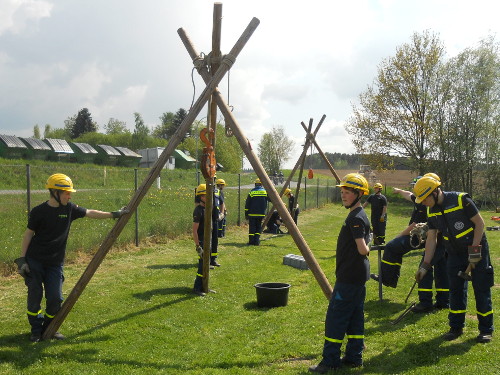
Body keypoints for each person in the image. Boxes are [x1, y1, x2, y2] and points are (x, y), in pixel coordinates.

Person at [15, 173, 128, 342]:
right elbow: (28, 235)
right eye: (67, 193)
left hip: (55, 263)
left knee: (55, 298)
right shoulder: (39, 212)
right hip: (35, 261)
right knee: (35, 296)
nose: (70, 195)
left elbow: (90, 212)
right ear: (55, 193)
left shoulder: (69, 209)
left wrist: (114, 214)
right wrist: (22, 259)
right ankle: (36, 330)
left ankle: (49, 328)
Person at [413, 175, 494, 343]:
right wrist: (425, 265)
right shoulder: (431, 210)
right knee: (455, 290)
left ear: (435, 192)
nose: (422, 203)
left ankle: (486, 330)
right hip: (454, 254)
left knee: (481, 288)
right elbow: (431, 238)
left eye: (424, 198)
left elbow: (480, 224)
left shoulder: (460, 200)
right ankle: (456, 327)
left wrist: (474, 253)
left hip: (476, 248)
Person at [309, 173, 371, 373]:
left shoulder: (355, 218)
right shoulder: (359, 215)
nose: (343, 196)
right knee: (355, 316)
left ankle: (330, 360)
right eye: (342, 192)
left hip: (349, 276)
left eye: (347, 193)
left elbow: (362, 249)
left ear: (359, 194)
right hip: (357, 276)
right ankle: (354, 357)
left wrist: (367, 248)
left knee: (336, 318)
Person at [370, 174, 449, 312]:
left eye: (416, 187)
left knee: (422, 265)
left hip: (428, 238)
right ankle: (443, 301)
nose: (414, 190)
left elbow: (415, 225)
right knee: (440, 267)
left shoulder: (425, 203)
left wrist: (399, 236)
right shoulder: (422, 198)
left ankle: (425, 302)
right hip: (435, 239)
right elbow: (409, 195)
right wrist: (399, 191)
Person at [244, 178, 270, 245]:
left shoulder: (251, 192)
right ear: (262, 184)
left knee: (252, 227)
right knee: (258, 227)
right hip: (261, 214)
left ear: (255, 184)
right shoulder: (265, 192)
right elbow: (271, 199)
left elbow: (247, 204)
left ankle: (251, 241)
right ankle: (256, 241)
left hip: (252, 214)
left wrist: (246, 213)